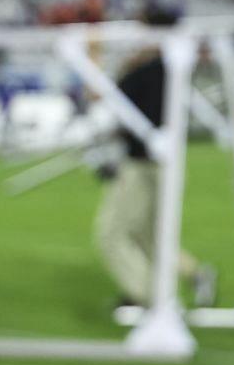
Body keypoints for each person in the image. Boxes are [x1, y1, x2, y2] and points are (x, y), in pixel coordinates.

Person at [92, 41, 216, 316]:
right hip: (165, 165)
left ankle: (150, 297)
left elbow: (105, 101)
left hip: (141, 165)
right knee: (153, 236)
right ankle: (193, 275)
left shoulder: (145, 73)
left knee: (113, 234)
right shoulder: (174, 72)